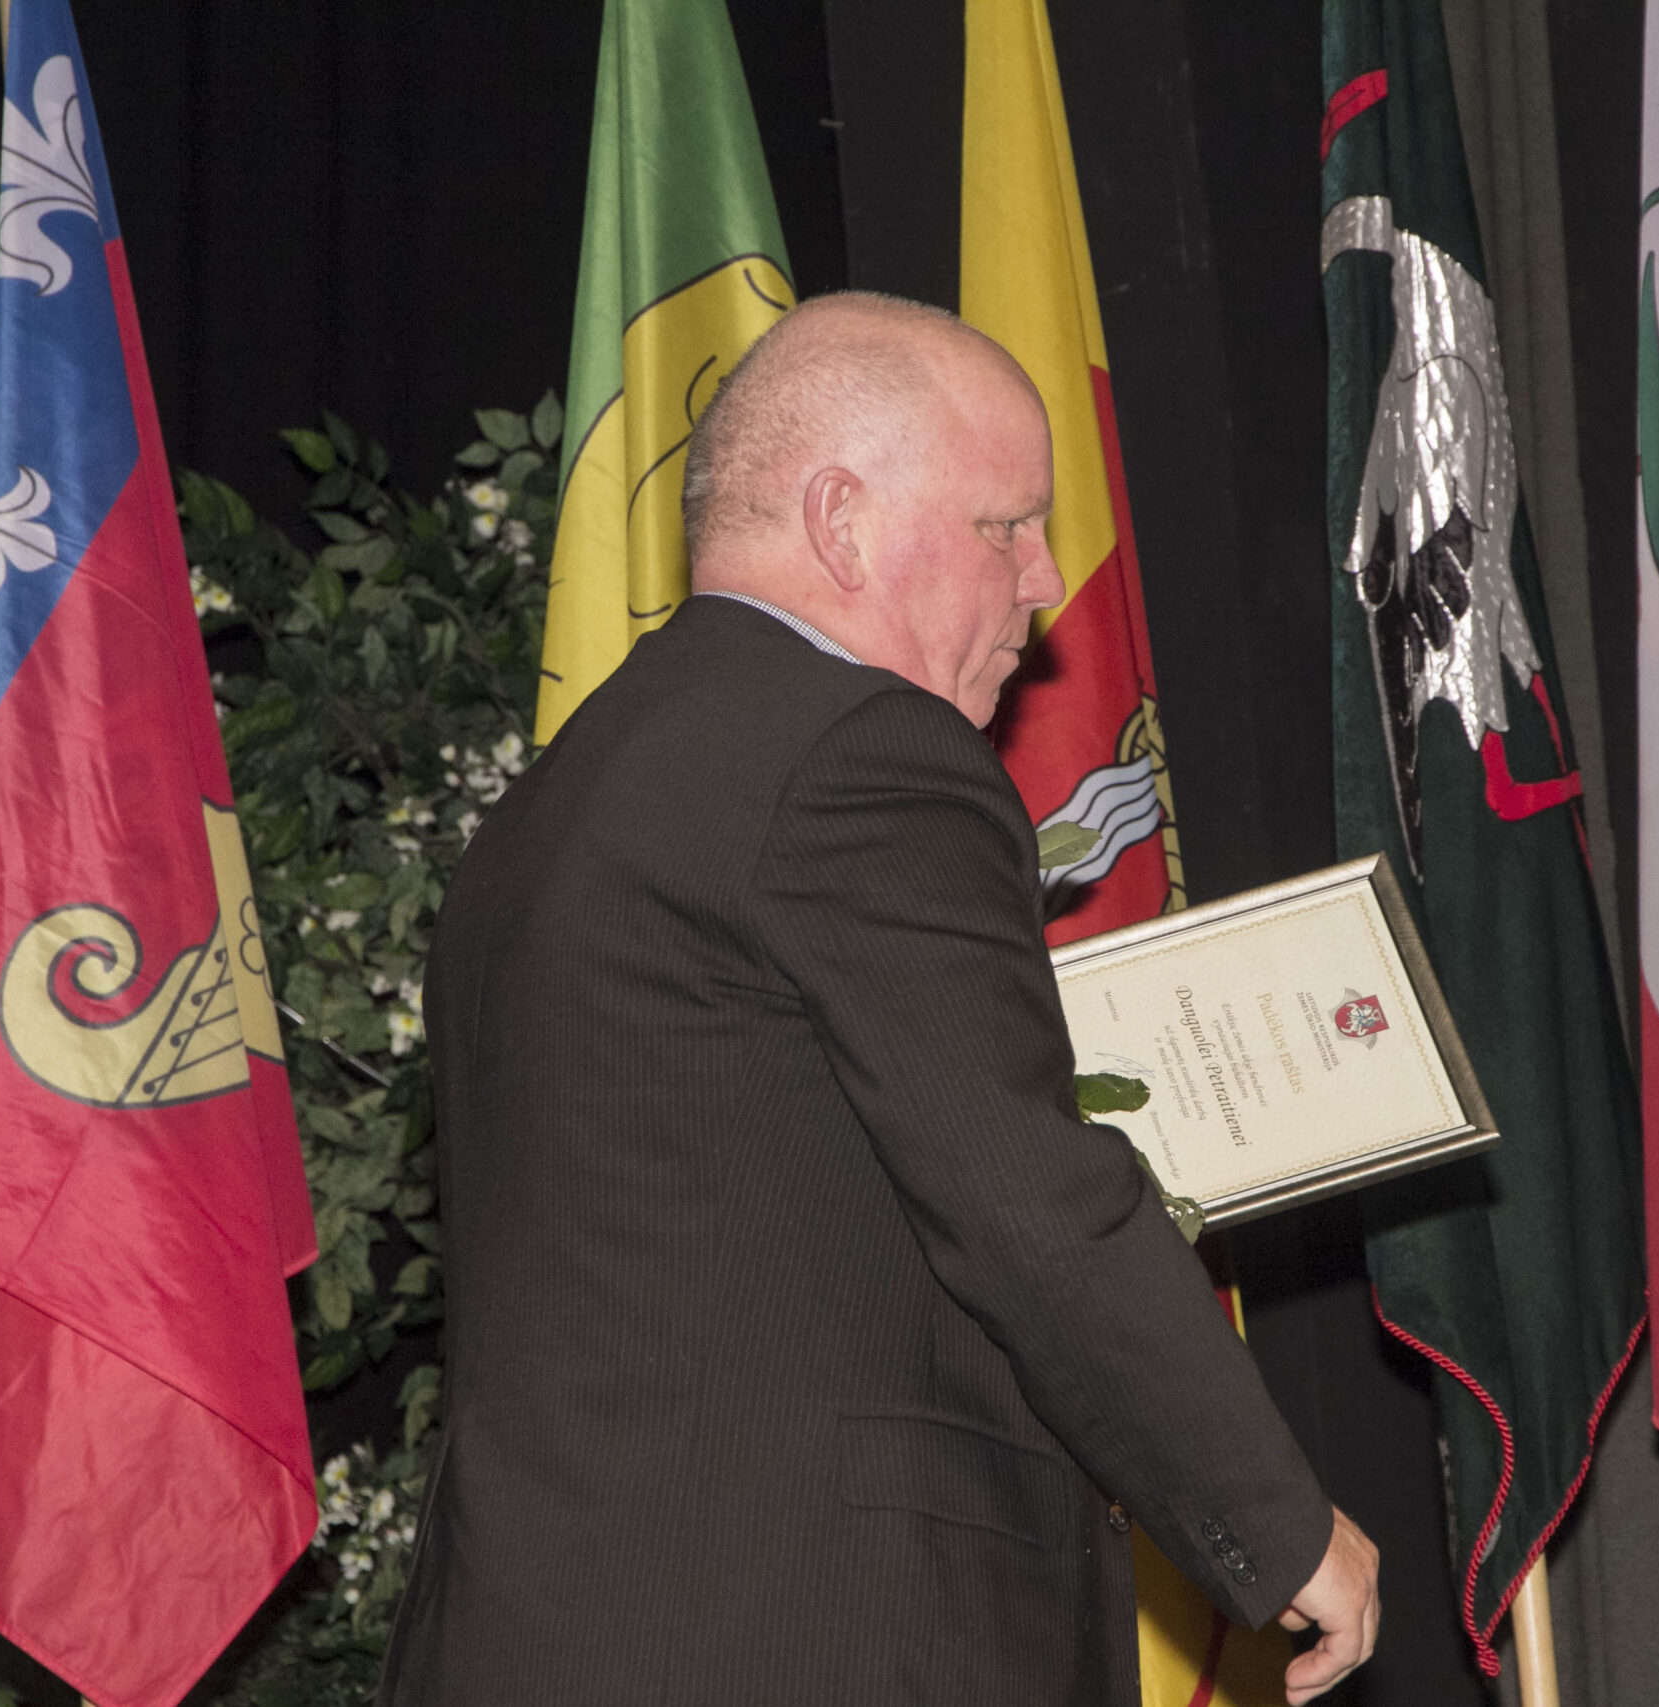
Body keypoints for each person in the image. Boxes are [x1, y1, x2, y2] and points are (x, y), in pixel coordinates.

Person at [379, 292, 1380, 1706]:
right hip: (797, 1636)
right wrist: (1273, 1521)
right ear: (841, 522)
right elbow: (1026, 1199)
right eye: (1004, 526)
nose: (1044, 580)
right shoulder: (860, 753)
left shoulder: (558, 802)